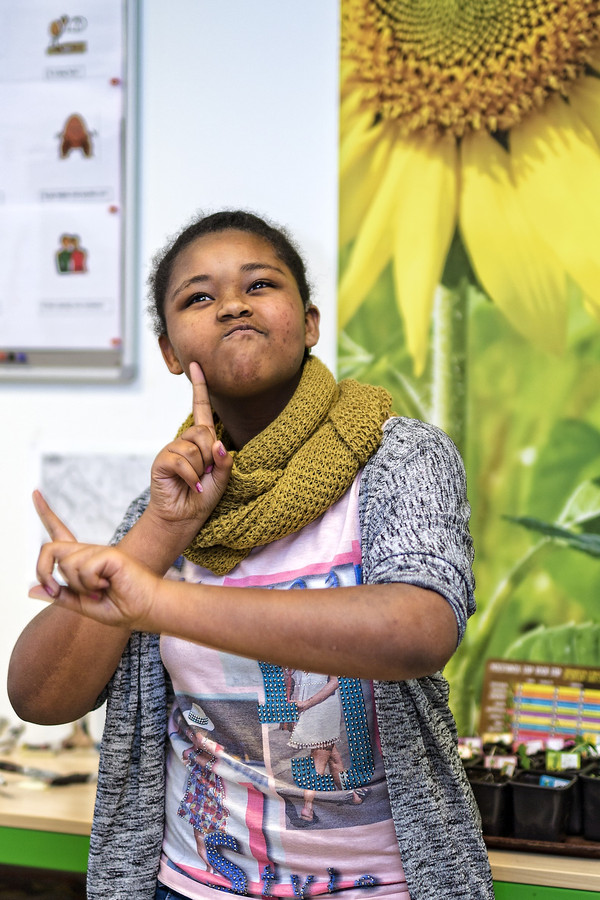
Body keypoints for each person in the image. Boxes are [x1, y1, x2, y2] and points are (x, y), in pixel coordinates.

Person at [8, 210, 494, 900]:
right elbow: (40, 698)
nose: (231, 303)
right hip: (191, 886)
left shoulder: (399, 458)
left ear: (312, 321)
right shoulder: (165, 507)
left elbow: (418, 630)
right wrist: (160, 534)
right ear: (171, 352)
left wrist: (158, 599)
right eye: (198, 297)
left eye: (259, 284)